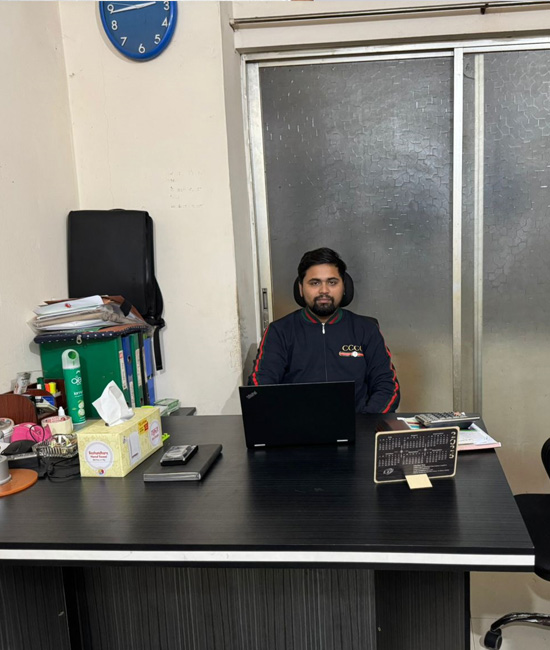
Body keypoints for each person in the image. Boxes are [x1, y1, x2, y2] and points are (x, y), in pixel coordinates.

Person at [248, 247, 400, 413]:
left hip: (357, 423)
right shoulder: (279, 331)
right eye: (315, 283)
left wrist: (366, 422)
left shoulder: (366, 330)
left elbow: (387, 386)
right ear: (301, 288)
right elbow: (261, 384)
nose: (324, 290)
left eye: (332, 282)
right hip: (296, 425)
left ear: (344, 287)